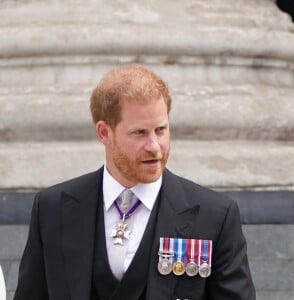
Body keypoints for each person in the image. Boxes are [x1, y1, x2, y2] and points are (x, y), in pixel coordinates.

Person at [14, 65, 256, 300]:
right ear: (104, 133)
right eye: (139, 133)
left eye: (161, 130)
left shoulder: (214, 215)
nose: (154, 146)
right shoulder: (52, 209)